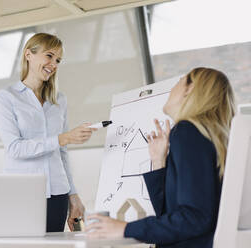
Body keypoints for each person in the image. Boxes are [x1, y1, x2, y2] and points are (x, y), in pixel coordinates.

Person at [86, 67, 235, 247]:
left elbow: (195, 217)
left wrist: (125, 228)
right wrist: (159, 161)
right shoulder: (211, 137)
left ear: (189, 89)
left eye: (178, 83)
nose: (171, 90)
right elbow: (170, 213)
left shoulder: (188, 131)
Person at [0, 33, 95, 232]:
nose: (54, 64)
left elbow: (62, 153)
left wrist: (73, 196)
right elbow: (15, 148)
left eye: (58, 60)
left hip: (58, 193)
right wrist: (62, 138)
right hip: (22, 194)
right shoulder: (7, 98)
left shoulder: (59, 100)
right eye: (49, 56)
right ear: (28, 55)